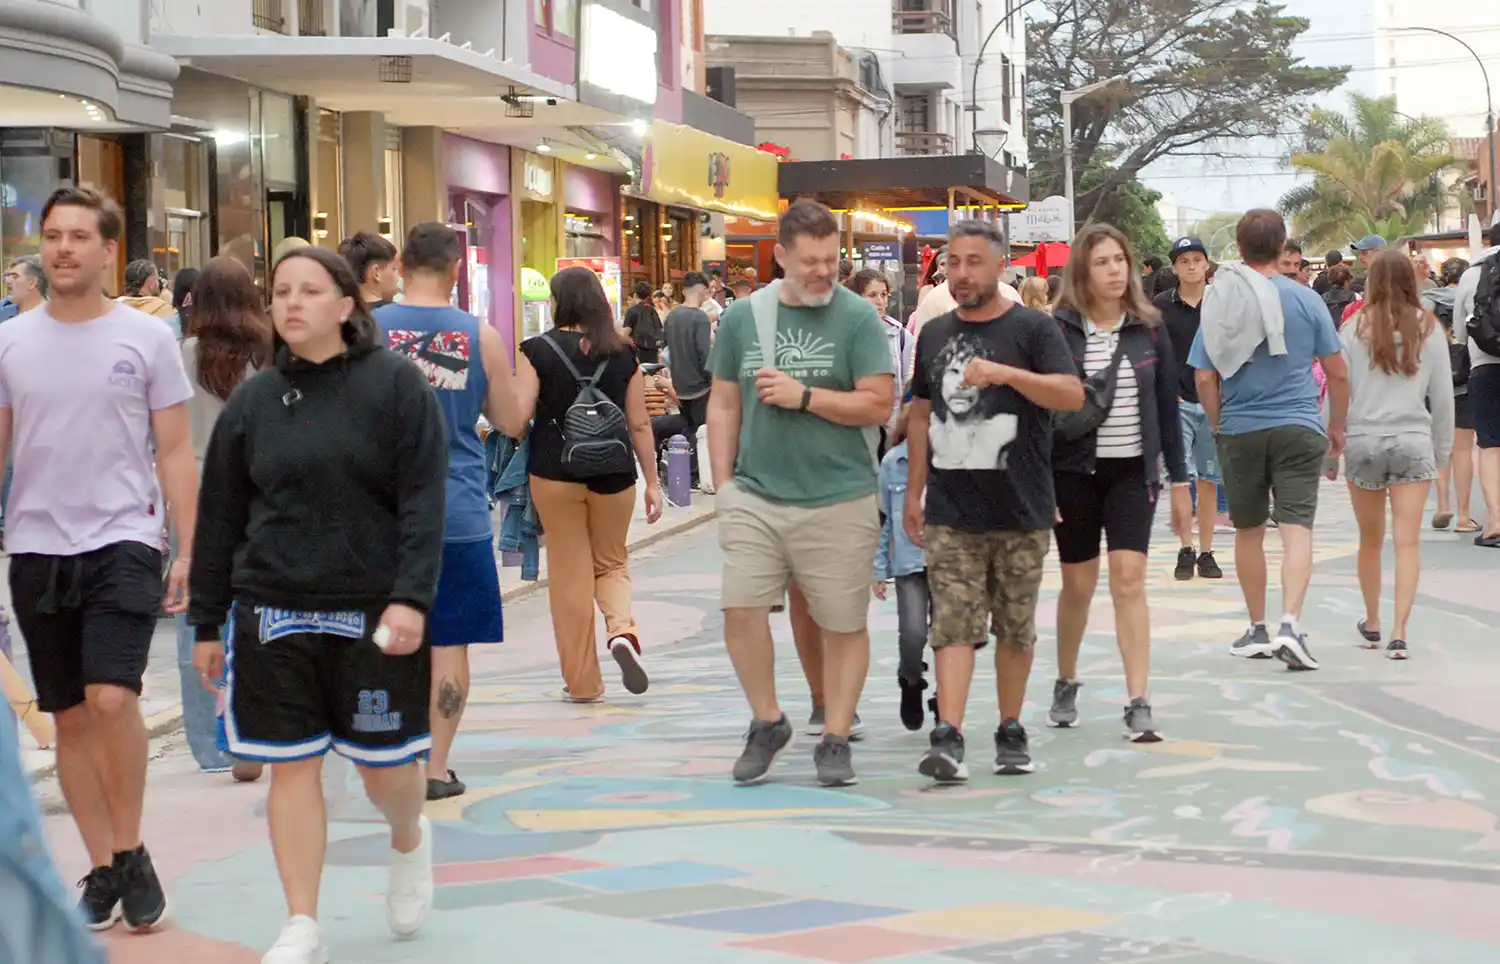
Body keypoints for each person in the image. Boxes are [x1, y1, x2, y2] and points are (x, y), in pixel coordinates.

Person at [190, 245, 446, 963]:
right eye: (280, 292)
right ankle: (301, 920)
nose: (292, 303)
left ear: (345, 305)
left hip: (374, 612)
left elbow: (425, 501)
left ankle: (408, 837)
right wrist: (206, 621)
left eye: (308, 290)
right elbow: (220, 517)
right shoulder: (254, 401)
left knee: (385, 773)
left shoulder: (396, 387)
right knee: (290, 766)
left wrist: (410, 600)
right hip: (273, 607)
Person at [0, 187, 196, 934]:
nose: (63, 249)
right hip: (37, 547)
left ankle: (129, 843)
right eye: (52, 236)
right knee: (71, 718)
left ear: (108, 250)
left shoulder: (144, 340)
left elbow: (175, 450)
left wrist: (189, 549)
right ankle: (112, 862)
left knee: (113, 698)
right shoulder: (12, 341)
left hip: (124, 537)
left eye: (80, 236)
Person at [707, 199, 894, 788]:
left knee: (843, 623)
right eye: (810, 260)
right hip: (757, 495)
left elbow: (879, 404)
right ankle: (767, 720)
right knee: (740, 610)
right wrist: (723, 485)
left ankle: (835, 735)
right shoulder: (743, 318)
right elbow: (723, 400)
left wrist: (807, 396)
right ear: (781, 255)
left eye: (832, 259)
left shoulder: (859, 318)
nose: (823, 271)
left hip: (840, 495)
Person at [904, 220, 1082, 781]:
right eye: (953, 262)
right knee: (951, 626)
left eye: (973, 262)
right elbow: (919, 410)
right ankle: (948, 734)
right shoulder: (933, 335)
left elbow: (1071, 394)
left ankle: (1010, 727)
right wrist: (913, 489)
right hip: (951, 509)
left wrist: (1005, 373)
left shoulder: (1033, 329)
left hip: (1021, 506)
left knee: (1015, 629)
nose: (961, 274)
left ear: (1000, 265)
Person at [376, 222, 515, 802]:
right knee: (448, 642)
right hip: (455, 507)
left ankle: (387, 758)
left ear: (401, 263)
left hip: (378, 511)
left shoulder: (368, 329)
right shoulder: (478, 335)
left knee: (381, 639)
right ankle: (436, 769)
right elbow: (510, 421)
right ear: (458, 270)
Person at [1190, 209, 1349, 670]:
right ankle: (1291, 624)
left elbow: (1203, 377)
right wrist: (1336, 426)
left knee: (1249, 531)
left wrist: (1221, 423)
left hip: (1240, 427)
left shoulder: (1220, 302)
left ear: (1238, 249)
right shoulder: (1305, 300)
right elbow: (1337, 373)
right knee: (1297, 528)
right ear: (1284, 249)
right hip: (1300, 424)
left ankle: (1257, 628)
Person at [1051, 224, 1190, 743]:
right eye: (1102, 262)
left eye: (1119, 260)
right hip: (1074, 475)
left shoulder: (1149, 329)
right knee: (1078, 587)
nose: (1114, 270)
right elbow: (1042, 413)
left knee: (1129, 581)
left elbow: (1167, 412)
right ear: (1082, 273)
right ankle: (1066, 679)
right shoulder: (1059, 331)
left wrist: (1180, 481)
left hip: (1134, 472)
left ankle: (1138, 700)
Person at [501, 266, 664, 702]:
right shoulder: (622, 353)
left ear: (558, 302)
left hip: (554, 473)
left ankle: (584, 683)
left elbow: (517, 422)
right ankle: (622, 631)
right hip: (614, 473)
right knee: (611, 563)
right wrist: (653, 481)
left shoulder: (537, 350)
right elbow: (640, 422)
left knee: (570, 574)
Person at [177, 257, 273, 779]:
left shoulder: (184, 354)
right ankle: (251, 732)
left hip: (192, 486)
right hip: (258, 485)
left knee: (199, 609)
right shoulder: (268, 353)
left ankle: (208, 744)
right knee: (258, 606)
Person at [1333, 248, 1452, 660]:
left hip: (1363, 441)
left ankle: (1372, 621)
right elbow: (1442, 399)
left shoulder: (1353, 329)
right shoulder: (1429, 328)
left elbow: (1339, 389)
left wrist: (1334, 446)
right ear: (1411, 280)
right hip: (1413, 441)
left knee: (1370, 541)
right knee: (1407, 543)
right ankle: (1400, 632)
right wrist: (1442, 454)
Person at [1157, 236, 1224, 580]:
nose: (1192, 266)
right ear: (1175, 268)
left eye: (1198, 259)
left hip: (1215, 402)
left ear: (1207, 264)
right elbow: (1153, 353)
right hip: (1176, 402)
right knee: (1181, 479)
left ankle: (1208, 551)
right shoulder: (1160, 306)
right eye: (1184, 261)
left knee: (1211, 478)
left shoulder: (1222, 303)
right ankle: (1186, 547)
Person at [872, 398, 934, 730]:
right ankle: (910, 679)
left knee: (951, 635)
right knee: (913, 633)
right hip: (908, 563)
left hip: (948, 561)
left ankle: (947, 699)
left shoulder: (951, 461)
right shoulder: (892, 463)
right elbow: (886, 521)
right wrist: (879, 568)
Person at [1425, 257, 1478, 533]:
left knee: (1440, 448)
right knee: (1463, 450)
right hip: (1465, 380)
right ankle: (1463, 515)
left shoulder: (1428, 301)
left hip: (1434, 383)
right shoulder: (1470, 296)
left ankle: (1442, 504)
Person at [847, 267, 913, 447]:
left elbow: (909, 382)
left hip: (892, 428)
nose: (879, 301)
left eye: (883, 295)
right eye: (872, 295)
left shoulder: (901, 337)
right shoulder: (845, 336)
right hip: (857, 429)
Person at [664, 271, 714, 485]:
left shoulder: (672, 317)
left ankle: (680, 470)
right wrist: (716, 378)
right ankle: (693, 475)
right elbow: (705, 355)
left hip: (680, 383)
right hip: (700, 385)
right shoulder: (700, 318)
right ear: (702, 290)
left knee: (688, 427)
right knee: (700, 430)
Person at [339, 231, 400, 309]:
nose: (397, 278)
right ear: (376, 272)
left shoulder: (340, 315)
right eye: (394, 269)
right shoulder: (398, 315)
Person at [622, 280, 663, 363]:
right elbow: (659, 329)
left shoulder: (632, 311)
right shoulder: (652, 310)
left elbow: (625, 334)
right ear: (648, 296)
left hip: (638, 352)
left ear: (635, 295)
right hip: (652, 352)